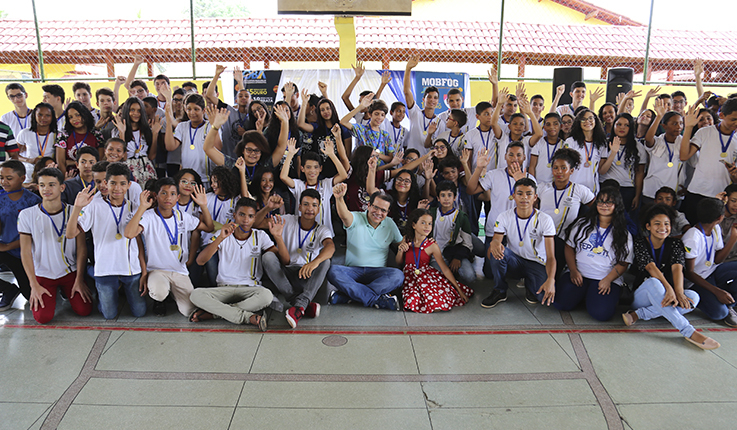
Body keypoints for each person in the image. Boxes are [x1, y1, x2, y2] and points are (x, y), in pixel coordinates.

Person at [624, 204, 720, 350]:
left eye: (667, 224)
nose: (663, 227)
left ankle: (639, 315)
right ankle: (689, 331)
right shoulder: (640, 243)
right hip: (642, 295)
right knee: (654, 282)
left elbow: (677, 269)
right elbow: (651, 267)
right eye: (657, 224)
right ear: (648, 227)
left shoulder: (675, 243)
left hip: (667, 296)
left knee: (693, 297)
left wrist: (679, 292)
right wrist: (669, 288)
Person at [66, 162, 147, 319]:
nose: (117, 188)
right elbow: (70, 234)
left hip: (130, 269)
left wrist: (144, 270)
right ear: (105, 183)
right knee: (109, 315)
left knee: (140, 312)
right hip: (105, 268)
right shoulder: (94, 205)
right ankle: (93, 274)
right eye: (113, 183)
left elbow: (138, 242)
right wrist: (77, 208)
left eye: (123, 184)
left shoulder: (135, 207)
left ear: (129, 185)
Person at [123, 177, 214, 317]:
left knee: (189, 311)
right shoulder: (148, 216)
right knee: (159, 293)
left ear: (177, 197)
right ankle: (162, 297)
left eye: (172, 194)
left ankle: (172, 292)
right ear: (156, 196)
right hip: (156, 270)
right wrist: (142, 207)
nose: (168, 198)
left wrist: (203, 206)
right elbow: (129, 234)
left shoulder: (183, 217)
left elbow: (209, 227)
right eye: (163, 193)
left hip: (179, 271)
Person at [190, 198, 285, 331]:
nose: (246, 220)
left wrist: (278, 238)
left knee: (266, 296)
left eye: (251, 216)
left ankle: (216, 314)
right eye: (242, 214)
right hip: (225, 287)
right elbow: (200, 261)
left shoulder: (260, 235)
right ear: (234, 216)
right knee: (195, 294)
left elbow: (283, 260)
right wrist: (221, 238)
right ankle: (246, 317)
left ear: (254, 219)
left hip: (250, 289)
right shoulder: (223, 234)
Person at [19, 167, 92, 323]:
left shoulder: (74, 211)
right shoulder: (26, 215)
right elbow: (25, 252)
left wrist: (79, 279)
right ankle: (54, 293)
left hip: (69, 272)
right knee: (42, 318)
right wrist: (33, 285)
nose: (46, 189)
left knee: (84, 310)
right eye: (42, 185)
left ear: (62, 187)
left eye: (51, 184)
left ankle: (66, 291)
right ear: (37, 187)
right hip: (43, 274)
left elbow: (81, 248)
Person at [555, 187, 633, 321]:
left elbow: (623, 263)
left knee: (601, 314)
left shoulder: (623, 233)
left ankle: (592, 295)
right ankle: (586, 294)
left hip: (605, 279)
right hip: (578, 275)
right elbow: (569, 247)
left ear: (617, 206)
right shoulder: (582, 224)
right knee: (560, 304)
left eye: (609, 202)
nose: (604, 205)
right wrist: (573, 270)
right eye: (601, 201)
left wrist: (608, 280)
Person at [261, 189, 335, 328]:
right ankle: (301, 305)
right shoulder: (287, 219)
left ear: (319, 209)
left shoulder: (322, 229)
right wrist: (268, 208)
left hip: (306, 276)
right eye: (306, 204)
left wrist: (314, 263)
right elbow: (257, 223)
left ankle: (299, 304)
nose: (309, 209)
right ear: (299, 207)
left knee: (326, 261)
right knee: (268, 256)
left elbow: (330, 247)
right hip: (285, 275)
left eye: (314, 205)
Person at [327, 184, 404, 310]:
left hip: (378, 274)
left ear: (387, 212)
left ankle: (350, 296)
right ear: (368, 206)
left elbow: (400, 243)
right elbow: (344, 215)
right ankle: (376, 299)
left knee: (398, 275)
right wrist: (339, 199)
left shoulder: (390, 224)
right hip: (353, 271)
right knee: (333, 271)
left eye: (383, 210)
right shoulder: (356, 217)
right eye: (376, 207)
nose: (378, 213)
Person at [483, 178, 556, 308]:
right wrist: (493, 243)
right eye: (520, 193)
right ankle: (499, 290)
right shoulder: (504, 216)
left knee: (543, 297)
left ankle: (529, 283)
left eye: (529, 194)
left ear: (535, 197)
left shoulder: (545, 220)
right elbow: (494, 245)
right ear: (513, 196)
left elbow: (550, 257)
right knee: (498, 252)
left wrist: (551, 279)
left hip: (537, 263)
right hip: (515, 261)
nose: (524, 198)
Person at [397, 208, 472, 313]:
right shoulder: (406, 239)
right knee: (412, 300)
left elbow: (445, 269)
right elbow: (398, 263)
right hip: (409, 277)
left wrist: (459, 291)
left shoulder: (432, 245)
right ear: (414, 225)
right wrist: (400, 250)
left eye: (430, 223)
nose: (427, 226)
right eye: (423, 223)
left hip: (425, 277)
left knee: (436, 302)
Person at [537, 148, 595, 277]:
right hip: (542, 239)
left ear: (571, 171)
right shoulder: (542, 188)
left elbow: (597, 208)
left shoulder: (580, 190)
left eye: (563, 168)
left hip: (564, 241)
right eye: (556, 168)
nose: (559, 172)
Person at [680, 99, 737, 224]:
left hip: (723, 196)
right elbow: (684, 156)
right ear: (721, 116)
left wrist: (734, 175)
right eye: (733, 119)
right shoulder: (705, 132)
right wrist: (688, 127)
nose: (736, 123)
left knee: (715, 235)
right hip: (698, 192)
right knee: (693, 230)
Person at [682, 197, 737, 326]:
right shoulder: (692, 237)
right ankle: (721, 302)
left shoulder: (715, 228)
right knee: (719, 313)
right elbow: (688, 273)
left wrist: (733, 239)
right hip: (694, 282)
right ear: (720, 217)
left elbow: (718, 260)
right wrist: (716, 291)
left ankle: (729, 303)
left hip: (712, 270)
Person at [281, 138, 347, 236]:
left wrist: (331, 155)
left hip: (324, 233)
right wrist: (290, 154)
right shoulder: (299, 185)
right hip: (301, 233)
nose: (312, 170)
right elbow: (283, 177)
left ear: (320, 169)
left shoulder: (326, 184)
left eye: (316, 167)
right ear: (302, 169)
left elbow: (343, 175)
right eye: (308, 167)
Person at [0, 160, 41, 311]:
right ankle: (8, 289)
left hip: (26, 254)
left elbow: (35, 235)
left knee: (30, 296)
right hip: (5, 250)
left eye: (9, 178)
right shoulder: (0, 198)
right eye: (1, 177)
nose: (4, 181)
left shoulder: (33, 201)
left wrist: (7, 246)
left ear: (23, 178)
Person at [428, 180, 477, 284]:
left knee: (470, 277)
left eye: (449, 195)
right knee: (438, 281)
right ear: (438, 198)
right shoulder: (431, 213)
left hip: (454, 252)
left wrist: (457, 257)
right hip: (435, 256)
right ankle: (450, 273)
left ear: (454, 197)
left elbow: (468, 244)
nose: (446, 198)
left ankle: (455, 270)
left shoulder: (461, 217)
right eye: (443, 195)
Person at [598, 113, 646, 211]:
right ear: (613, 125)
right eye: (619, 124)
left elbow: (639, 173)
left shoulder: (638, 147)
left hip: (627, 189)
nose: (622, 128)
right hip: (606, 187)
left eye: (626, 125)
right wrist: (613, 152)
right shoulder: (605, 144)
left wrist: (637, 195)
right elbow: (602, 171)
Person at [296, 94, 351, 178]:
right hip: (321, 173)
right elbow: (300, 124)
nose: (326, 112)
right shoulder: (317, 127)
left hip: (339, 172)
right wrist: (304, 103)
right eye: (322, 110)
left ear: (332, 109)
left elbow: (347, 154)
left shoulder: (342, 128)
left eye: (328, 108)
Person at [642, 100, 685, 207]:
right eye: (674, 123)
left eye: (681, 123)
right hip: (651, 191)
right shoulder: (657, 141)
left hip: (673, 194)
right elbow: (648, 139)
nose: (679, 126)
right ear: (664, 126)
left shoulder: (684, 142)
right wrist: (659, 116)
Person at [112, 97, 160, 183]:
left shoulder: (146, 130)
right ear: (127, 111)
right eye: (132, 110)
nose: (136, 113)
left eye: (139, 111)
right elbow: (123, 157)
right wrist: (122, 133)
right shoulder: (118, 130)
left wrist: (155, 134)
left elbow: (151, 156)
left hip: (146, 170)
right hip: (128, 170)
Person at [341, 95, 396, 165]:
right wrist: (360, 107)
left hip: (380, 170)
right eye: (376, 114)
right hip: (363, 169)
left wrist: (376, 154)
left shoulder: (385, 135)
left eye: (382, 115)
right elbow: (343, 122)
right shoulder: (362, 129)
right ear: (370, 114)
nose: (379, 117)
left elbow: (390, 158)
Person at [563, 109, 607, 194]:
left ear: (595, 120)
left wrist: (613, 152)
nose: (587, 121)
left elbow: (602, 170)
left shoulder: (601, 143)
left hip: (592, 190)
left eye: (590, 118)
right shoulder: (571, 141)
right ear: (578, 123)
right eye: (583, 119)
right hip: (572, 189)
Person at [403, 56, 439, 154]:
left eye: (435, 98)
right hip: (411, 159)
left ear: (438, 101)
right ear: (423, 99)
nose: (432, 100)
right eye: (429, 97)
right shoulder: (415, 113)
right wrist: (408, 69)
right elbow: (407, 92)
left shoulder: (440, 121)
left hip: (428, 162)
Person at [55, 101, 103, 171]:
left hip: (92, 176)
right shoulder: (63, 135)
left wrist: (71, 162)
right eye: (70, 117)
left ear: (85, 114)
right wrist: (65, 179)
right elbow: (61, 162)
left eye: (77, 115)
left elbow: (99, 161)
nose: (74, 119)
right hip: (70, 178)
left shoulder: (97, 134)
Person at [16, 103, 57, 169]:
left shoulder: (58, 135)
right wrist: (29, 160)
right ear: (34, 115)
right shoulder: (25, 133)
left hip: (51, 172)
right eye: (40, 115)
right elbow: (14, 155)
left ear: (52, 117)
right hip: (29, 174)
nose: (43, 118)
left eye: (48, 115)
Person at [529, 112, 564, 184]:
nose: (552, 127)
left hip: (555, 185)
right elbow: (532, 166)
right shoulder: (538, 143)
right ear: (544, 127)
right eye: (548, 124)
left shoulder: (563, 145)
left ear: (561, 126)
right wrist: (533, 183)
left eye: (555, 124)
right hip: (538, 184)